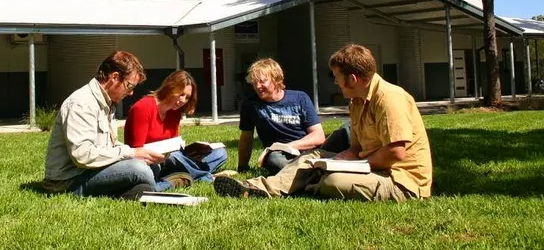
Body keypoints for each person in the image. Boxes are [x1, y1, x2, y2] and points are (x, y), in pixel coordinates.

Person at [215, 44, 433, 202]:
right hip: (370, 164)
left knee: (333, 181)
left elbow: (395, 153)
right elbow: (358, 146)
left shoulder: (389, 97)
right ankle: (254, 188)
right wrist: (346, 156)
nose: (335, 82)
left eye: (336, 76)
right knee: (311, 158)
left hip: (401, 180)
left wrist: (351, 165)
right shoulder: (356, 101)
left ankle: (310, 182)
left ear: (353, 79)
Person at [42, 50, 165, 199]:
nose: (131, 93)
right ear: (114, 77)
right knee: (139, 169)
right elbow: (82, 155)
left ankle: (141, 190)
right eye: (130, 86)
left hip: (92, 171)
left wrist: (141, 152)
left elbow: (108, 147)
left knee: (151, 166)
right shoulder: (82, 103)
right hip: (68, 181)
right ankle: (156, 188)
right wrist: (131, 154)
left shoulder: (106, 102)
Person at [237, 58, 349, 175]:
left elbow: (318, 136)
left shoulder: (300, 98)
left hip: (311, 151)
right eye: (254, 83)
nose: (258, 87)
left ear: (276, 79)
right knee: (274, 160)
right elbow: (246, 139)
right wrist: (242, 168)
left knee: (347, 130)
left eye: (262, 81)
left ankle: (311, 170)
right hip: (281, 155)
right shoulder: (251, 104)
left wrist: (286, 146)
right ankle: (315, 172)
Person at [124, 70, 228, 189]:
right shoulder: (143, 107)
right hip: (150, 162)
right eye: (181, 94)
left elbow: (173, 143)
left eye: (187, 97)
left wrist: (192, 151)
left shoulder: (175, 112)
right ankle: (203, 176)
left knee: (220, 152)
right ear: (170, 88)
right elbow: (136, 150)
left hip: (170, 159)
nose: (183, 100)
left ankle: (185, 175)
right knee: (174, 157)